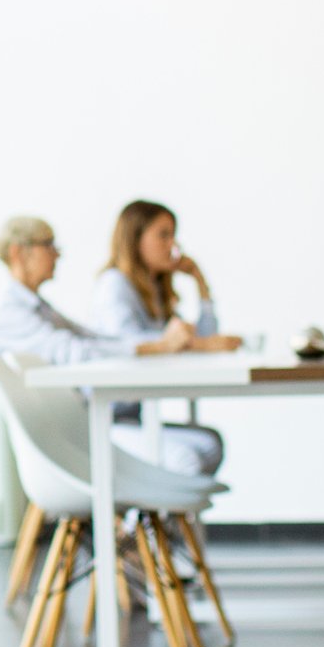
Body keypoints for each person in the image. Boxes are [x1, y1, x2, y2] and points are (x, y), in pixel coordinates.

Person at [0, 216, 224, 472]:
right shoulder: (13, 316)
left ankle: (161, 512)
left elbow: (94, 338)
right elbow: (78, 352)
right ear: (18, 253)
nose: (58, 254)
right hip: (81, 433)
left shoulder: (40, 309)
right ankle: (160, 511)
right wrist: (159, 347)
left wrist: (165, 343)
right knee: (189, 456)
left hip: (98, 420)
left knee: (209, 444)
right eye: (49, 244)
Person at [85, 200, 240, 475]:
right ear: (135, 239)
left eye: (173, 235)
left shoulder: (152, 291)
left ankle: (163, 519)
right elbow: (132, 348)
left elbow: (205, 339)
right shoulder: (114, 285)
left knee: (211, 443)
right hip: (106, 419)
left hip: (135, 418)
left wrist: (200, 283)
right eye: (163, 234)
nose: (173, 245)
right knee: (188, 457)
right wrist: (199, 344)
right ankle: (160, 518)